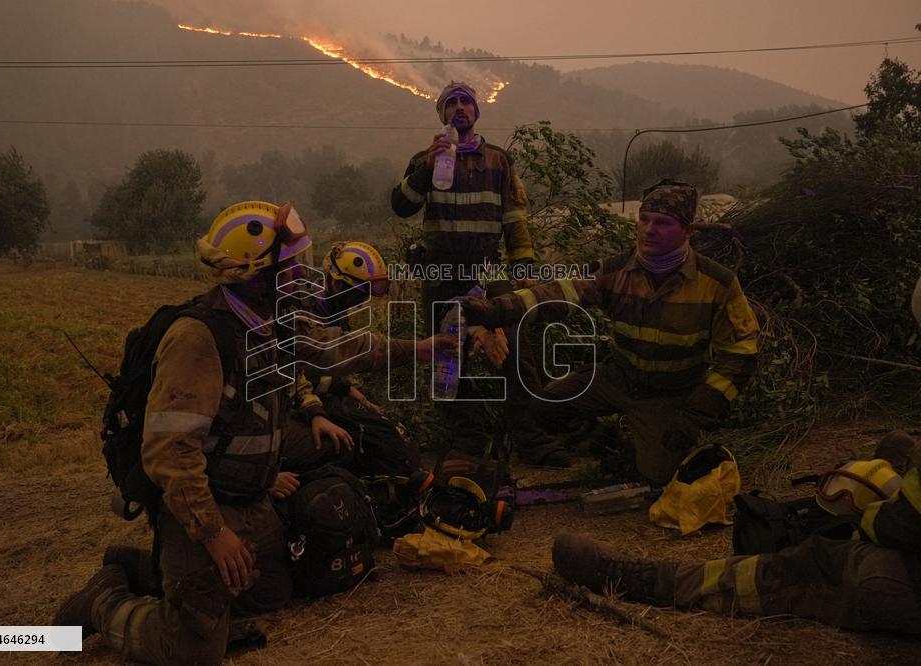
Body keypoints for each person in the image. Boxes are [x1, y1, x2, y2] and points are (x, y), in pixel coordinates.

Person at [52, 201, 446, 665]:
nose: (300, 276)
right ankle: (103, 602)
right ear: (253, 275)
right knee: (190, 650)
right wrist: (213, 532)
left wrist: (421, 349)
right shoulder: (199, 339)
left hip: (252, 500)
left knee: (275, 591)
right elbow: (170, 451)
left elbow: (341, 349)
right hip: (205, 508)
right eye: (289, 266)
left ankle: (145, 568)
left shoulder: (273, 323)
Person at [549, 276, 921, 634]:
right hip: (632, 387)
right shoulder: (623, 272)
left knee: (815, 563)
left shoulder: (714, 282)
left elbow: (903, 527)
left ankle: (653, 581)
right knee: (897, 456)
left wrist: (869, 519)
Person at [461, 179, 760, 485]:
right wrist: (498, 309)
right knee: (543, 408)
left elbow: (740, 355)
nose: (648, 229)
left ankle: (641, 448)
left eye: (662, 223)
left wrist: (696, 414)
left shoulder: (718, 283)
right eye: (644, 220)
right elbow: (562, 292)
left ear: (688, 231)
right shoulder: (616, 270)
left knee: (658, 477)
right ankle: (606, 441)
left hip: (668, 393)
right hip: (617, 377)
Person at [390, 80, 559, 465]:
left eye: (466, 102)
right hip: (441, 272)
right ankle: (468, 437)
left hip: (487, 272)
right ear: (442, 115)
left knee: (516, 346)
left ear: (477, 111)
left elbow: (515, 219)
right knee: (445, 360)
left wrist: (523, 267)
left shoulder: (499, 160)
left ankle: (529, 437)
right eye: (451, 104)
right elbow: (401, 206)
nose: (460, 108)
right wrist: (425, 171)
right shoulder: (424, 159)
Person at [278, 241, 420, 476]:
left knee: (385, 431)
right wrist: (317, 411)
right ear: (335, 281)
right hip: (296, 401)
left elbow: (337, 365)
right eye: (356, 292)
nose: (359, 300)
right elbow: (297, 369)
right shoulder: (298, 308)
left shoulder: (336, 311)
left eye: (363, 294)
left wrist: (356, 395)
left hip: (319, 395)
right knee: (355, 441)